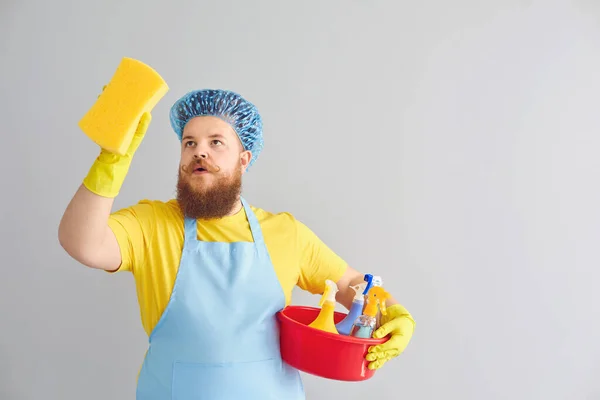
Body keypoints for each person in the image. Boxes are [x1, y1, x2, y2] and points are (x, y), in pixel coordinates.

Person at [58, 88, 415, 399]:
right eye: (189, 143)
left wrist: (395, 313)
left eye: (216, 142)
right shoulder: (152, 224)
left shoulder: (285, 233)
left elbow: (354, 287)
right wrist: (112, 161)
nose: (200, 152)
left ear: (244, 160)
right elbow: (83, 243)